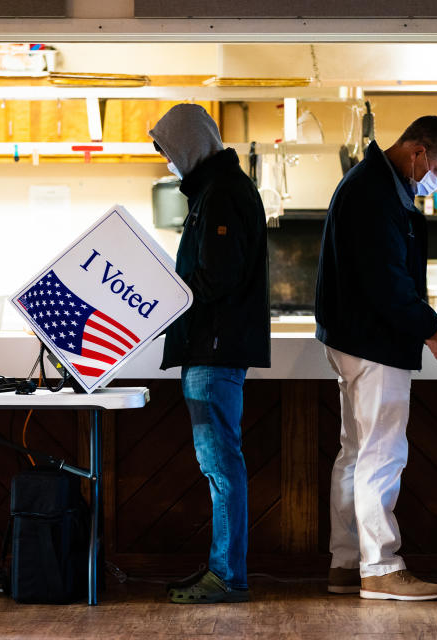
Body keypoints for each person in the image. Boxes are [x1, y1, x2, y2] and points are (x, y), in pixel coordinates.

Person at [315, 116, 437, 601]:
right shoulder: (376, 193)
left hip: (354, 337)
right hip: (376, 341)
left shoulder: (370, 184)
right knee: (382, 454)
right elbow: (385, 280)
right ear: (418, 151)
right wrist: (430, 328)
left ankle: (345, 563)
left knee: (356, 454)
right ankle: (380, 568)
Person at [149, 104, 270, 604]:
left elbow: (217, 276)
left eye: (170, 152)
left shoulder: (220, 193)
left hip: (212, 352)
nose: (169, 163)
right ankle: (225, 571)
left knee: (221, 467)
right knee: (221, 467)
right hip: (212, 350)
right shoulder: (218, 189)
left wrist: (165, 294)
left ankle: (226, 576)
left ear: (189, 145)